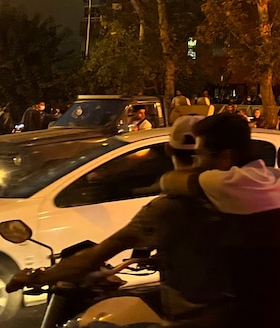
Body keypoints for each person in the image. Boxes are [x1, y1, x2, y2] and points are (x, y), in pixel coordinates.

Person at [5, 116, 235, 327]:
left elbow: (93, 257)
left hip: (194, 318)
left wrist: (36, 276)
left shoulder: (169, 208)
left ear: (167, 149)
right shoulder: (237, 198)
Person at [160, 113, 280, 327]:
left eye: (200, 154)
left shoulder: (227, 183)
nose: (197, 162)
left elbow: (169, 180)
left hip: (260, 318)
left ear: (226, 156)